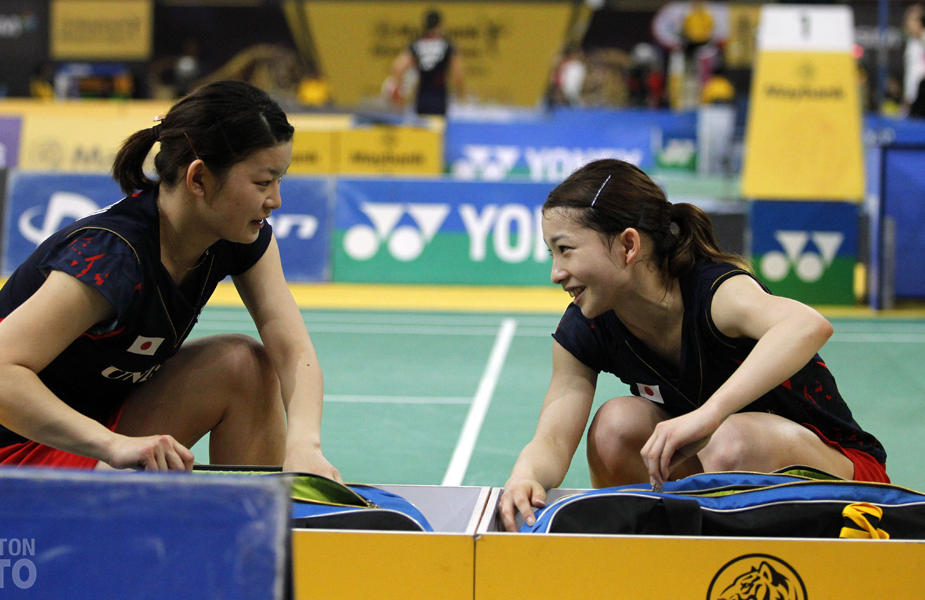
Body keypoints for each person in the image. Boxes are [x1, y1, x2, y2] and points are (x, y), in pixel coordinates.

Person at [0, 80, 341, 479]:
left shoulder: (238, 234)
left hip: (101, 420)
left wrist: (304, 447)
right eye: (262, 182)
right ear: (199, 179)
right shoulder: (111, 257)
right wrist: (113, 445)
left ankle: (254, 513)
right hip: (11, 451)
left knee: (245, 365)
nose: (275, 200)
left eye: (279, 180)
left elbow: (292, 350)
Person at [499, 159, 888, 531]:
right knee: (615, 428)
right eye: (552, 253)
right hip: (725, 467)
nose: (556, 273)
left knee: (730, 441)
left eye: (566, 250)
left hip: (847, 478)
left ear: (628, 246)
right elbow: (552, 440)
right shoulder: (587, 327)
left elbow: (806, 324)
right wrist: (526, 474)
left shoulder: (715, 291)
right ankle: (642, 550)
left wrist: (709, 415)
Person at [388, 9, 465, 116]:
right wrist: (460, 94)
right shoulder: (447, 45)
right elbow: (458, 74)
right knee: (437, 125)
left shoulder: (416, 44)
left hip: (421, 98)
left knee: (423, 125)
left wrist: (398, 90)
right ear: (441, 25)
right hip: (440, 98)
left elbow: (398, 67)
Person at [903, 5, 925, 118]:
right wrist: (908, 98)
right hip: (913, 100)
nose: (907, 23)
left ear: (919, 22)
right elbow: (911, 73)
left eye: (910, 20)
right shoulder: (911, 43)